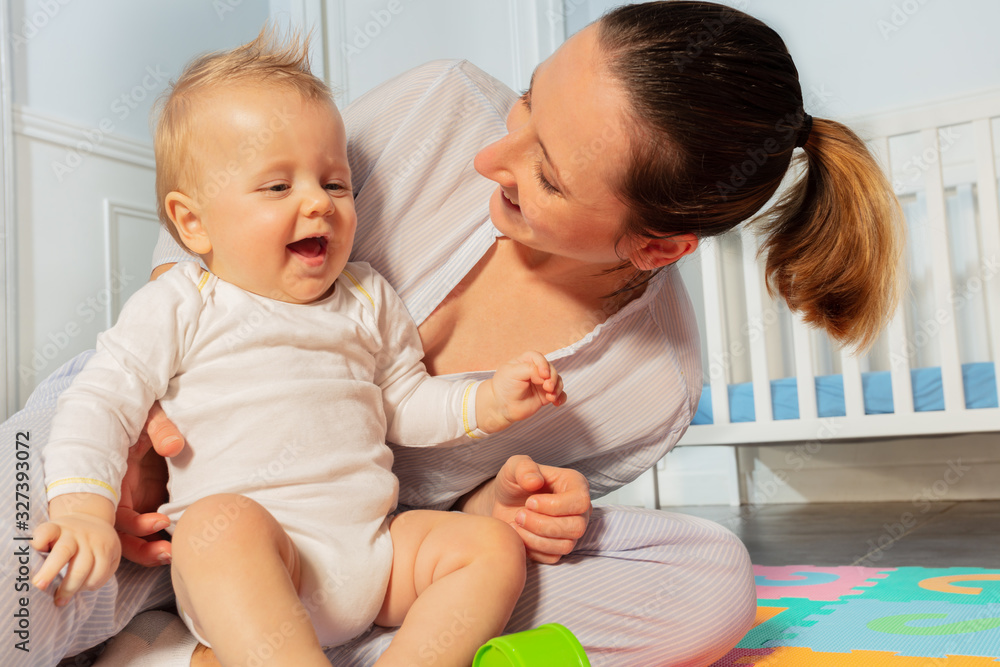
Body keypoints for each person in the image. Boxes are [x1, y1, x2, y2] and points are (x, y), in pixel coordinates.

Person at [2, 2, 902, 666]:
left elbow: (420, 442)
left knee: (709, 583)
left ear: (656, 244)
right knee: (19, 592)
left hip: (356, 545)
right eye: (527, 101)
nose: (488, 157)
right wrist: (124, 449)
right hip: (159, 479)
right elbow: (218, 215)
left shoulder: (652, 382)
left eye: (543, 173)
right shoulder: (436, 106)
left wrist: (506, 508)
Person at [30, 31, 566, 667]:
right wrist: (85, 508)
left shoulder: (368, 297)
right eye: (277, 187)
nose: (318, 201)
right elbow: (100, 399)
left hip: (373, 557)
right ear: (194, 222)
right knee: (215, 524)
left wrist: (485, 402)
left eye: (335, 183)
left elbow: (406, 403)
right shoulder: (183, 301)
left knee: (492, 548)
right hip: (252, 570)